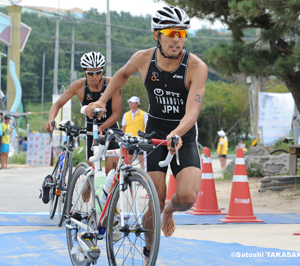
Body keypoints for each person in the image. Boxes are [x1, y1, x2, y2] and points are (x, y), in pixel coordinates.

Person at [84, 6, 208, 259]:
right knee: (156, 197)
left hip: (183, 134)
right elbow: (121, 75)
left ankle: (170, 211)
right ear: (157, 35)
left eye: (182, 33)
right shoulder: (143, 58)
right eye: (171, 32)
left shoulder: (195, 66)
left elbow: (192, 113)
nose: (177, 39)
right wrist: (101, 101)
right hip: (155, 132)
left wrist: (177, 133)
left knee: (186, 197)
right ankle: (149, 254)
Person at [44, 51, 122, 173]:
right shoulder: (79, 86)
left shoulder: (112, 84)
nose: (95, 76)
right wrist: (51, 119)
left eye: (98, 72)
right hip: (91, 130)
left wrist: (102, 126)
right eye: (90, 73)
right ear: (84, 71)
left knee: (111, 176)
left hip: (111, 128)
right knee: (91, 176)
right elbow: (57, 105)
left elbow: (116, 114)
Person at [121, 96, 148, 170]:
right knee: (129, 158)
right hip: (128, 139)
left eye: (132, 102)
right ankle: (130, 175)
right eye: (130, 102)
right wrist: (122, 138)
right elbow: (123, 127)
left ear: (137, 103)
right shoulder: (126, 114)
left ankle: (143, 176)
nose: (131, 104)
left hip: (139, 139)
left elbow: (146, 126)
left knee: (140, 158)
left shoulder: (143, 114)